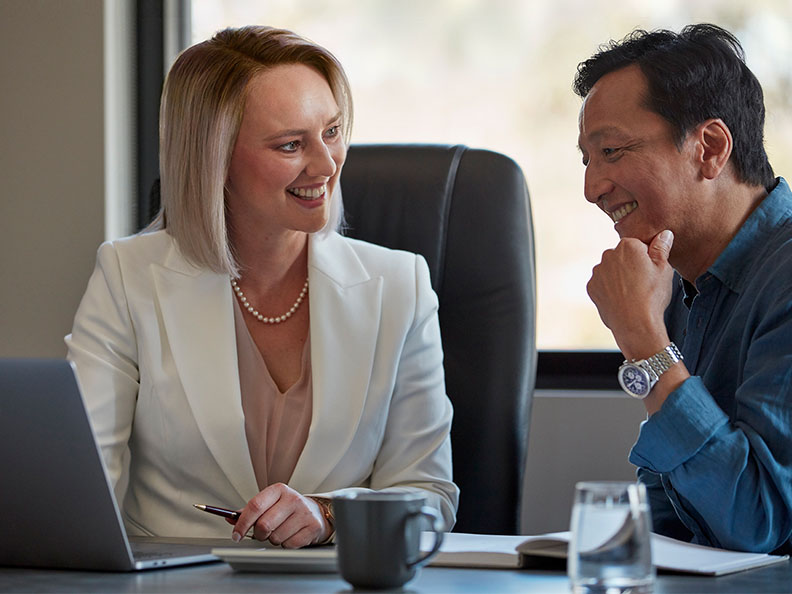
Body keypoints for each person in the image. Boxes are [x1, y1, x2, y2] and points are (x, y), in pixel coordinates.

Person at [66, 25, 458, 548]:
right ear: (215, 158)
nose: (326, 164)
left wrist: (330, 515)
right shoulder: (127, 277)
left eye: (333, 131)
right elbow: (82, 493)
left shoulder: (398, 286)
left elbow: (429, 495)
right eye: (291, 144)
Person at [575, 24, 792, 554]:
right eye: (587, 159)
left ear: (710, 148)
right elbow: (671, 518)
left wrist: (644, 343)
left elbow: (755, 523)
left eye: (612, 151)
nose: (591, 188)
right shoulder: (679, 285)